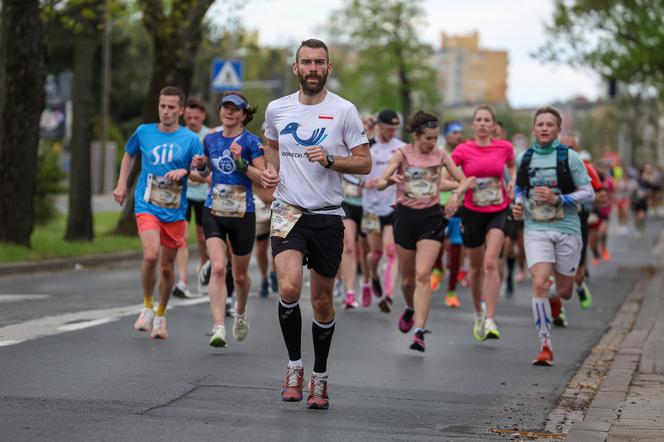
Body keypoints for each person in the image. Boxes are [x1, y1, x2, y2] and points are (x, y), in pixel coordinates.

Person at [261, 39, 371, 410]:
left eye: (318, 62)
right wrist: (271, 168)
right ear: (296, 68)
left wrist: (330, 160)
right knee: (289, 287)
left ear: (329, 67)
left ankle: (320, 376)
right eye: (305, 62)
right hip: (288, 211)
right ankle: (294, 367)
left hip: (326, 215)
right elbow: (270, 141)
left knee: (322, 300)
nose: (312, 68)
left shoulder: (344, 111)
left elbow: (364, 162)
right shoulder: (278, 108)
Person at [113, 86, 203, 339]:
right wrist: (121, 184)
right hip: (147, 204)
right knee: (151, 256)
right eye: (162, 106)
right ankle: (147, 307)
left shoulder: (190, 139)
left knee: (166, 268)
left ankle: (162, 314)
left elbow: (203, 173)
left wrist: (187, 171)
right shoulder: (144, 132)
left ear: (181, 110)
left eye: (171, 107)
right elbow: (129, 156)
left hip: (174, 211)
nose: (166, 111)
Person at [377, 111, 472, 351]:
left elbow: (464, 180)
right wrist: (388, 181)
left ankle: (419, 331)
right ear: (416, 135)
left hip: (431, 218)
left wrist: (455, 198)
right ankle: (410, 307)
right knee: (408, 280)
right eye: (428, 138)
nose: (433, 142)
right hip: (405, 218)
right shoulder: (402, 154)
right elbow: (379, 183)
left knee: (423, 275)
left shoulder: (441, 155)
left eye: (435, 137)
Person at [513, 106, 594, 366]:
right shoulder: (524, 158)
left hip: (567, 228)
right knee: (539, 282)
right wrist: (517, 204)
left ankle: (557, 300)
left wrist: (560, 198)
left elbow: (588, 192)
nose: (545, 128)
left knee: (565, 291)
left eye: (550, 124)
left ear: (558, 129)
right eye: (540, 124)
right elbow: (519, 188)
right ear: (534, 129)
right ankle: (545, 345)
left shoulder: (570, 158)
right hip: (536, 227)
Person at [191, 91, 265, 347]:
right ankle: (218, 326)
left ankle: (241, 314)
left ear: (244, 114)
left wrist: (241, 161)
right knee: (219, 267)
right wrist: (201, 165)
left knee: (241, 277)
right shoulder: (210, 139)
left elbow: (262, 177)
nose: (229, 112)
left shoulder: (251, 142)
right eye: (225, 107)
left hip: (243, 214)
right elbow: (204, 173)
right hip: (214, 210)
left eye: (235, 109)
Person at [451, 105, 515, 341]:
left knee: (491, 263)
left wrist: (513, 182)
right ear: (473, 124)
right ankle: (478, 313)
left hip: (499, 209)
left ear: (493, 125)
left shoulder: (504, 147)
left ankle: (490, 318)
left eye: (487, 120)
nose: (482, 123)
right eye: (478, 119)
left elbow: (511, 166)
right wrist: (461, 186)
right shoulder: (463, 150)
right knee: (476, 268)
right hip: (471, 212)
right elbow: (447, 174)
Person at [362, 109, 404, 311]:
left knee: (391, 251)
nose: (392, 133)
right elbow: (354, 173)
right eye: (389, 129)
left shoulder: (402, 148)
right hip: (371, 207)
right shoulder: (368, 147)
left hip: (393, 206)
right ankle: (374, 276)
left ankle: (388, 295)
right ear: (378, 126)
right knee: (375, 253)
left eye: (395, 129)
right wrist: (365, 182)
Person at [172, 98, 210, 298]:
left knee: (204, 238)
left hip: (204, 195)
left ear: (203, 116)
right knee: (182, 238)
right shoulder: (179, 136)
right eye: (188, 117)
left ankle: (204, 273)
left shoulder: (209, 137)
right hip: (183, 194)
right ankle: (183, 281)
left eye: (196, 117)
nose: (192, 120)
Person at [431, 121, 464, 308]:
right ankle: (438, 269)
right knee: (435, 244)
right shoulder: (438, 153)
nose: (458, 135)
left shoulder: (466, 153)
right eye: (454, 132)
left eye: (460, 132)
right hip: (438, 204)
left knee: (455, 249)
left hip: (458, 206)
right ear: (447, 134)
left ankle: (451, 292)